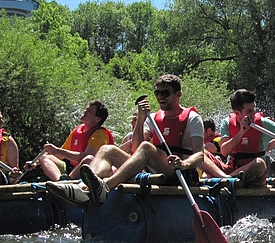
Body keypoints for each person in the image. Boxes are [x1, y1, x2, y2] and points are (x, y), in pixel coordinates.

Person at [46, 74, 205, 206]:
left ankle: (105, 187)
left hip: (177, 171)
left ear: (178, 95)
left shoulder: (192, 118)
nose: (160, 97)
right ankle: (83, 188)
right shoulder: (153, 118)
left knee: (147, 147)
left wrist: (184, 164)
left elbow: (200, 155)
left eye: (165, 93)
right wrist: (141, 120)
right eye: (157, 93)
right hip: (152, 168)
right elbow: (136, 148)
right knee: (107, 150)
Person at [214, 89, 275, 186]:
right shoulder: (227, 123)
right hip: (233, 169)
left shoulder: (262, 122)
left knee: (259, 163)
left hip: (256, 173)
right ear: (237, 113)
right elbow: (224, 151)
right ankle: (229, 179)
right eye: (249, 111)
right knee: (202, 154)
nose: (253, 113)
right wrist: (241, 132)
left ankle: (228, 180)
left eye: (254, 109)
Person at [31, 101, 114, 181]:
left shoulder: (100, 134)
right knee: (45, 157)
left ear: (98, 119)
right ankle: (60, 182)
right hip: (74, 171)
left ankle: (67, 181)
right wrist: (35, 163)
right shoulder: (78, 130)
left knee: (88, 159)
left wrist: (57, 150)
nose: (85, 112)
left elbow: (86, 157)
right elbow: (59, 156)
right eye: (86, 109)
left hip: (94, 172)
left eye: (89, 111)